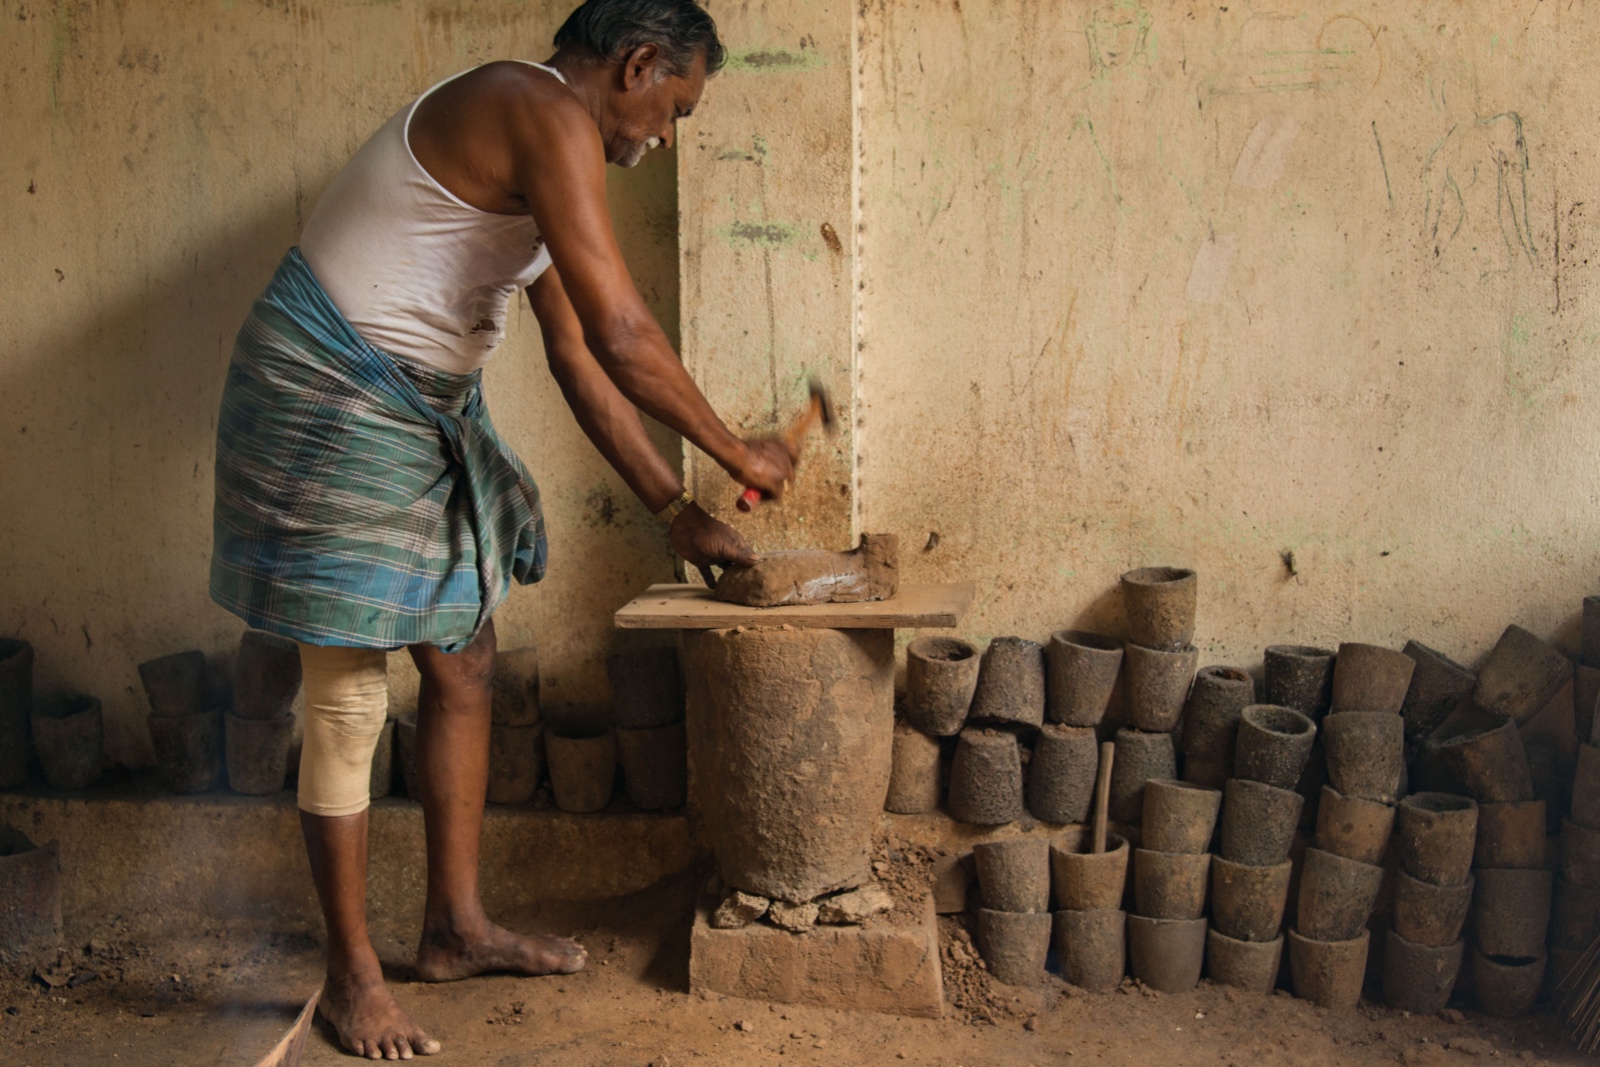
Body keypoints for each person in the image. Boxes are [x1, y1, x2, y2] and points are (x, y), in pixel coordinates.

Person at [209, 0, 794, 1058]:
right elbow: (623, 331)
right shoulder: (535, 106)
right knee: (347, 685)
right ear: (639, 62)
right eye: (672, 110)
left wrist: (676, 508)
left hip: (409, 404)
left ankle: (453, 926)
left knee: (464, 655)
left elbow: (578, 355)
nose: (660, 138)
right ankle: (352, 979)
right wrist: (738, 450)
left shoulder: (546, 159)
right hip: (331, 389)